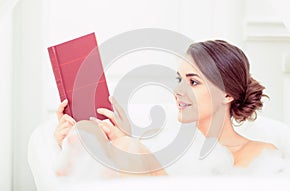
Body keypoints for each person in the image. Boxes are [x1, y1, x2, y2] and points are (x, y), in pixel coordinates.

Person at [53, 40, 277, 176]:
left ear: (227, 94)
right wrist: (72, 144)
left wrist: (131, 148)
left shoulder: (259, 155)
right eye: (179, 79)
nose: (178, 91)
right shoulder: (172, 144)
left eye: (194, 82)